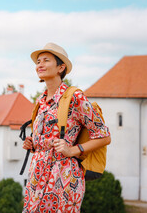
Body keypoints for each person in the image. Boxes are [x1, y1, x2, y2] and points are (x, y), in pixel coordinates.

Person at [22, 43, 111, 213]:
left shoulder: (75, 97)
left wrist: (72, 150)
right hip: (36, 176)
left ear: (60, 67)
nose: (39, 65)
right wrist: (32, 144)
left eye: (46, 60)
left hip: (63, 177)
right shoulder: (40, 101)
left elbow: (104, 137)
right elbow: (46, 139)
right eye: (38, 61)